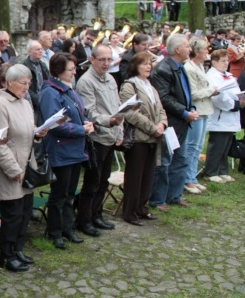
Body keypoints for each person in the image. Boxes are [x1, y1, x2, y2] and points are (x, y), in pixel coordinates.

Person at [0, 65, 48, 269]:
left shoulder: (24, 102)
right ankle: (7, 254)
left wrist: (37, 134)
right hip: (11, 169)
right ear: (10, 82)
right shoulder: (0, 106)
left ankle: (18, 248)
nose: (27, 86)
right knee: (12, 214)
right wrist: (14, 170)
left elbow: (26, 132)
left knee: (24, 211)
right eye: (23, 83)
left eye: (29, 82)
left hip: (27, 166)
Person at [39, 53, 95, 249]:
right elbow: (53, 124)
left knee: (70, 192)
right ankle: (55, 232)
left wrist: (85, 122)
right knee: (59, 194)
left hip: (76, 149)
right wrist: (82, 130)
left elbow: (78, 113)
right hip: (61, 149)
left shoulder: (68, 90)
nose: (74, 72)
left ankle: (67, 228)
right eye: (70, 69)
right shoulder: (50, 92)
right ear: (58, 70)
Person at [74, 44, 123, 236]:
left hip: (111, 135)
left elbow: (118, 106)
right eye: (102, 59)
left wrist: (119, 130)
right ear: (92, 59)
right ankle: (84, 219)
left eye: (109, 59)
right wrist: (109, 122)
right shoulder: (86, 82)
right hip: (97, 137)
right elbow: (89, 112)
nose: (106, 63)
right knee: (92, 181)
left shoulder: (110, 78)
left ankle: (96, 214)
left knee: (104, 180)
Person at [149, 34, 198, 211]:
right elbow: (164, 98)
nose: (190, 49)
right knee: (164, 161)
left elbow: (184, 92)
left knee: (181, 159)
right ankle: (158, 199)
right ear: (177, 49)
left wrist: (190, 107)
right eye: (187, 46)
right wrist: (185, 113)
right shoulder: (163, 69)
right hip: (169, 123)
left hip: (182, 122)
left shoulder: (180, 66)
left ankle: (174, 195)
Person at [119, 52, 167, 225]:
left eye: (150, 63)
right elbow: (130, 113)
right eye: (144, 64)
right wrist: (152, 128)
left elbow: (160, 108)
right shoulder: (129, 86)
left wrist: (162, 124)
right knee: (135, 176)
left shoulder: (150, 85)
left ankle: (141, 207)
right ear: (135, 66)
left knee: (147, 175)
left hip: (153, 137)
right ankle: (129, 211)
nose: (148, 66)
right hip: (138, 138)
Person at [204, 49, 245, 183]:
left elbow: (236, 90)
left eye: (227, 60)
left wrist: (242, 99)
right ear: (214, 62)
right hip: (220, 116)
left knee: (226, 146)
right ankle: (211, 171)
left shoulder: (228, 75)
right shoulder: (211, 76)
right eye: (223, 61)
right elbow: (218, 97)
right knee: (217, 146)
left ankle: (222, 170)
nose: (226, 63)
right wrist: (234, 104)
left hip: (231, 115)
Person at [184, 38, 217, 194]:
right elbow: (193, 93)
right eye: (205, 49)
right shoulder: (189, 68)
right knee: (191, 146)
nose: (207, 52)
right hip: (196, 109)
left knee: (198, 146)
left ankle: (192, 177)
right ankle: (187, 179)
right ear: (197, 52)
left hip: (205, 109)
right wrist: (212, 91)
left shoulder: (201, 67)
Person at [22, 40, 50, 111]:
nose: (40, 51)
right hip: (31, 102)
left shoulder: (43, 65)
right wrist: (37, 99)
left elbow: (48, 82)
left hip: (44, 99)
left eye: (41, 49)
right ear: (29, 52)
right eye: (37, 49)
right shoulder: (24, 66)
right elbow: (25, 88)